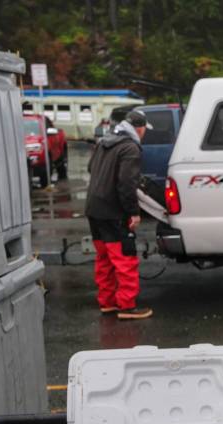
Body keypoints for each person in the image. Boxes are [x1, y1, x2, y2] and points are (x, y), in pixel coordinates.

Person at [85, 110, 153, 320]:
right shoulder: (130, 148)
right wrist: (133, 212)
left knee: (104, 259)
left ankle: (107, 303)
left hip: (94, 209)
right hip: (113, 211)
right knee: (124, 259)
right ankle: (126, 306)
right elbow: (126, 184)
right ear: (139, 128)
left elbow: (90, 168)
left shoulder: (104, 142)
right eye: (144, 131)